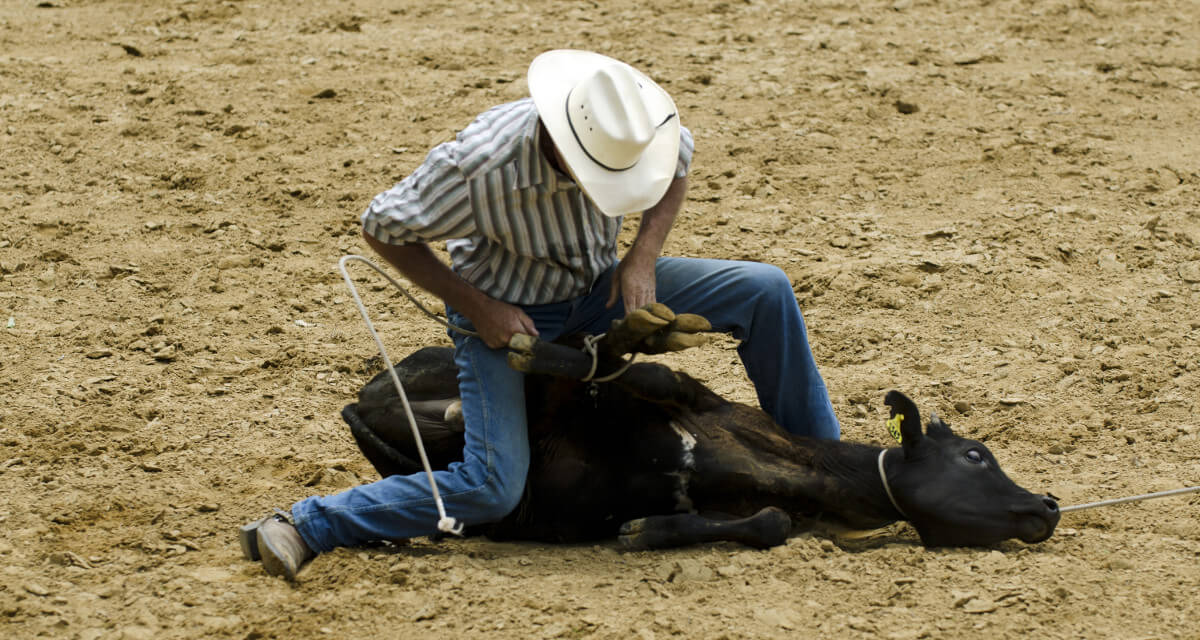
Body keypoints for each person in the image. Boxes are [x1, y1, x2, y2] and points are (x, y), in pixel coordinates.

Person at [241, 50, 840, 579]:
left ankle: (830, 468)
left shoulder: (638, 127)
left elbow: (677, 162)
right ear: (560, 140)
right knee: (491, 486)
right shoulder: (478, 166)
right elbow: (382, 227)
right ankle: (308, 523)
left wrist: (641, 257)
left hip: (600, 286)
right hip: (508, 314)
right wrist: (479, 308)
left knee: (765, 289)